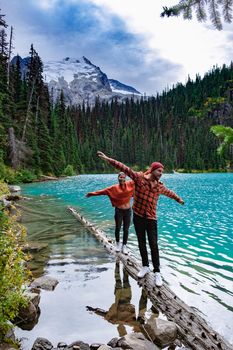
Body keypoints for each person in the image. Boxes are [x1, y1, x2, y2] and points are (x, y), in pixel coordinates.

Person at [97, 151, 184, 287]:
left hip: (151, 219)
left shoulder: (159, 186)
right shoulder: (139, 179)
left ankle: (157, 272)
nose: (161, 173)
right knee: (141, 242)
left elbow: (169, 193)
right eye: (159, 171)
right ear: (153, 170)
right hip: (138, 217)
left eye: (162, 171)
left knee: (153, 244)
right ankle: (145, 266)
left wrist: (178, 199)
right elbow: (124, 168)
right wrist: (108, 159)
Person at [86, 172, 134, 254]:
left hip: (128, 211)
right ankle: (118, 244)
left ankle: (124, 246)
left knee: (126, 229)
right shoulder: (113, 188)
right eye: (120, 177)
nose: (122, 179)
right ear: (118, 178)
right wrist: (92, 194)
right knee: (118, 228)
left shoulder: (129, 186)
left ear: (125, 178)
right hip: (119, 211)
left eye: (123, 177)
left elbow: (141, 180)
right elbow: (103, 191)